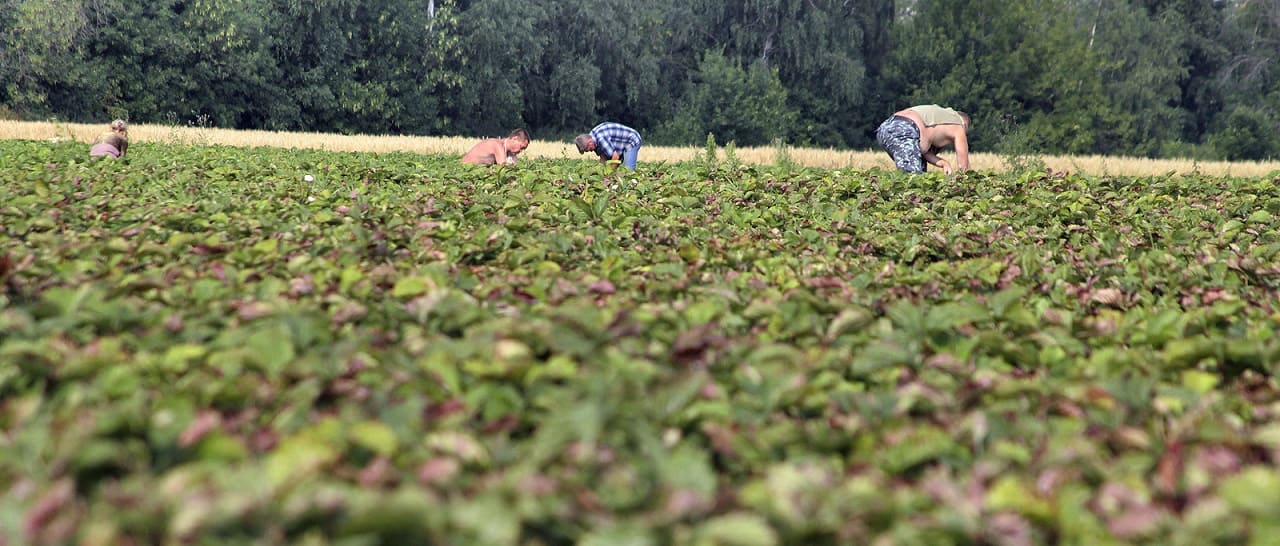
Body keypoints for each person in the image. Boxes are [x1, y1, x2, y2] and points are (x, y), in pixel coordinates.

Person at [876, 105, 970, 174]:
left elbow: (924, 152)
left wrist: (943, 163)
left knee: (919, 172)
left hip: (886, 127)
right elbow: (963, 166)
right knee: (912, 179)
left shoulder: (941, 119)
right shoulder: (959, 125)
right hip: (905, 127)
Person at [574, 122, 642, 171]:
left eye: (588, 149)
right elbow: (603, 158)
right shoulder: (592, 138)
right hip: (620, 144)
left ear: (590, 142)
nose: (590, 151)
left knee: (628, 171)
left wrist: (608, 175)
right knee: (612, 167)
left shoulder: (601, 139)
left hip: (631, 140)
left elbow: (615, 157)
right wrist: (599, 172)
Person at [461, 128, 530, 165]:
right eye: (521, 147)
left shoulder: (507, 153)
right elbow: (502, 168)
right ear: (514, 138)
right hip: (464, 169)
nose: (520, 151)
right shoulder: (497, 145)